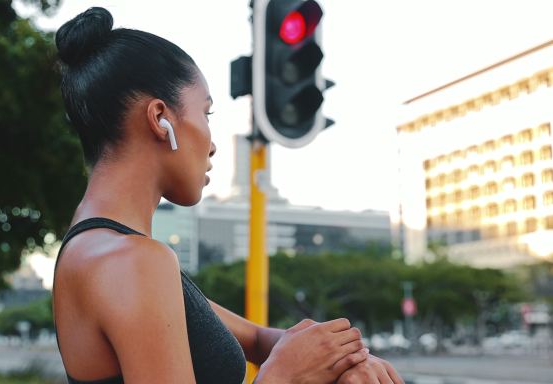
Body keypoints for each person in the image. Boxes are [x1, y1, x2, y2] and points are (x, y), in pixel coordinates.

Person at [52, 7, 403, 384]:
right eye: (206, 113)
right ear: (160, 119)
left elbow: (255, 338)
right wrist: (283, 375)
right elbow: (276, 361)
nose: (213, 144)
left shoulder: (102, 249)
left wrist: (346, 357)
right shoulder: (131, 262)